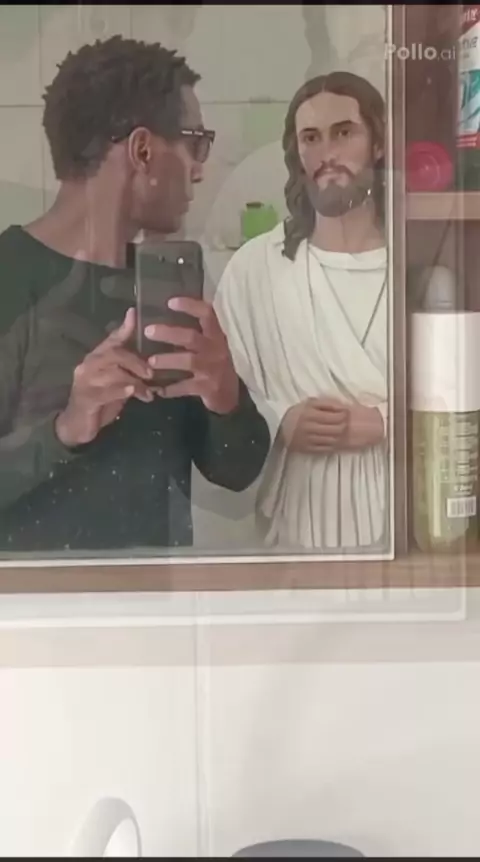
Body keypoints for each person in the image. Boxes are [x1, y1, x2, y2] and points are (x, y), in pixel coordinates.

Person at [0, 36, 270, 554]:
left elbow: (238, 472)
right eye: (195, 142)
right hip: (30, 604)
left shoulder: (166, 287)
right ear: (142, 151)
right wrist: (65, 429)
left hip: (159, 600)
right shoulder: (8, 278)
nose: (200, 169)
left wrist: (225, 395)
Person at [214, 72, 389, 553]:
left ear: (377, 144)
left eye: (344, 132)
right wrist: (281, 420)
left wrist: (385, 423)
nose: (327, 152)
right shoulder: (256, 268)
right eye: (311, 138)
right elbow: (222, 394)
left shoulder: (417, 265)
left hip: (402, 519)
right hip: (295, 530)